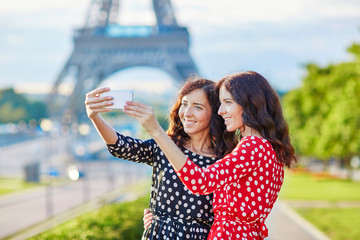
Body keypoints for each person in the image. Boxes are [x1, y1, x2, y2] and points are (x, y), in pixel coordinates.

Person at [123, 71, 297, 240]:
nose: (220, 111)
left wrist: (157, 132)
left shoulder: (253, 146)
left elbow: (201, 182)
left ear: (250, 104)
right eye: (220, 103)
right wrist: (162, 221)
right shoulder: (264, 147)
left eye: (228, 102)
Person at [85, 77, 236, 240]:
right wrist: (95, 117)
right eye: (184, 104)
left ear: (214, 113)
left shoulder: (225, 159)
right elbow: (121, 147)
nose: (187, 113)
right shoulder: (167, 145)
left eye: (197, 107)